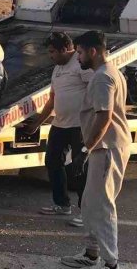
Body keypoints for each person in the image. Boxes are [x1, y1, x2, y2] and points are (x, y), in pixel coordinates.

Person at [60, 31, 131, 269]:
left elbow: (104, 117)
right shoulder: (108, 72)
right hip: (102, 148)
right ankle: (91, 254)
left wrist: (84, 149)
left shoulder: (103, 78)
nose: (76, 57)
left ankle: (111, 265)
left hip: (108, 148)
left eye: (79, 52)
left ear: (92, 51)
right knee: (89, 203)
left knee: (102, 206)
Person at [18, 32, 93, 225]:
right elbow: (52, 99)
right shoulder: (57, 69)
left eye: (52, 52)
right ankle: (62, 205)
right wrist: (38, 122)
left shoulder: (80, 65)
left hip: (79, 126)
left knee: (80, 169)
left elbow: (94, 90)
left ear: (64, 49)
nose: (50, 56)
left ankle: (87, 213)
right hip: (59, 124)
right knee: (52, 162)